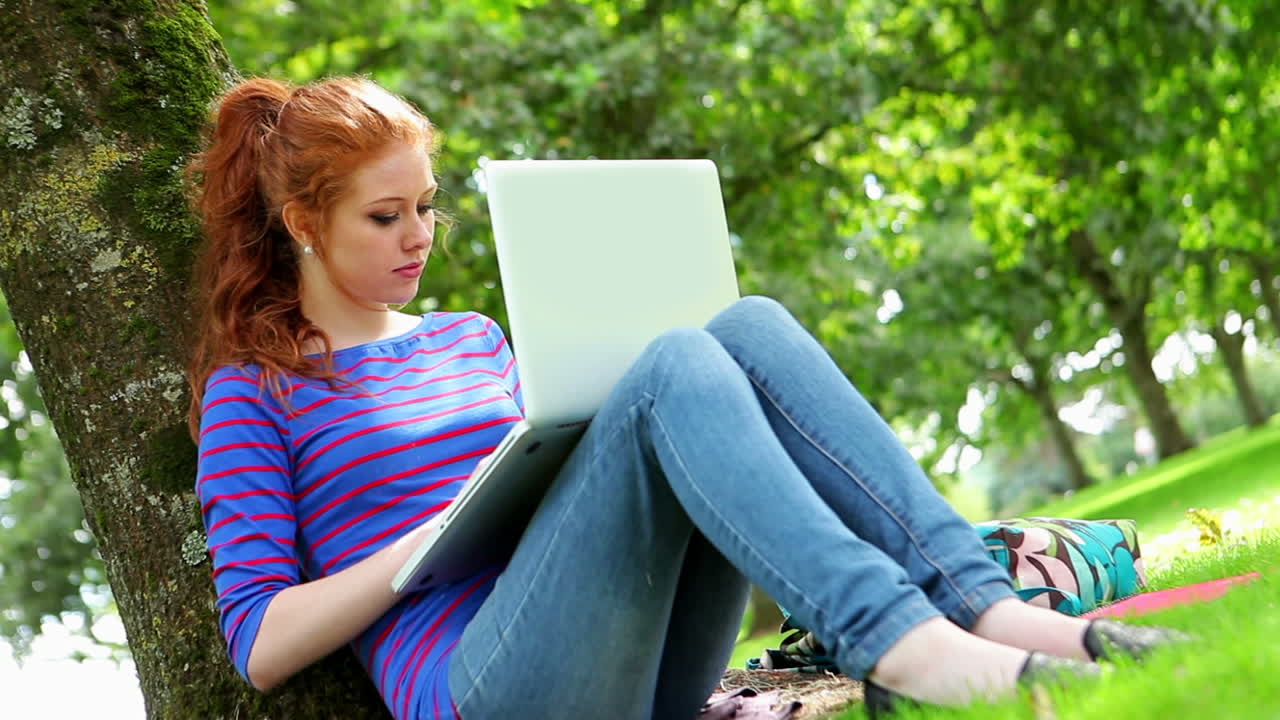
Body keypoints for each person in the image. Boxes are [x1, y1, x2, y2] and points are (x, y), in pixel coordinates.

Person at [188, 75, 1187, 720]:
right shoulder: (256, 391)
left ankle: (983, 614)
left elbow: (583, 492)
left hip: (640, 666)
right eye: (385, 215)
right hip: (484, 689)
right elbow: (262, 643)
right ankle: (904, 648)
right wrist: (419, 548)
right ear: (303, 222)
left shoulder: (471, 340)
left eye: (428, 207)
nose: (419, 235)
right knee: (669, 364)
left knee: (738, 328)